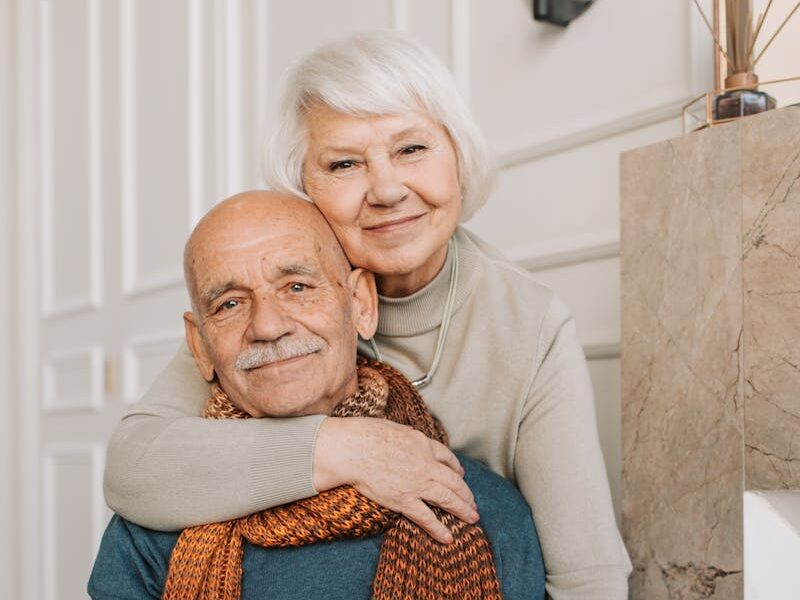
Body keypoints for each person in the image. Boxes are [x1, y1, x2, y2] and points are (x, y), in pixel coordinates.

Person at [104, 30, 631, 598]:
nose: (386, 190)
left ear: (459, 158)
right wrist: (343, 448)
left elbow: (588, 577)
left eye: (412, 149)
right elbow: (135, 465)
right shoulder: (271, 314)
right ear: (302, 188)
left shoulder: (531, 323)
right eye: (344, 163)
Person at [89, 191, 545, 599]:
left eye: (297, 287)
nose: (268, 326)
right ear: (200, 346)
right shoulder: (156, 518)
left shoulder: (481, 509)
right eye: (230, 304)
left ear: (361, 304)